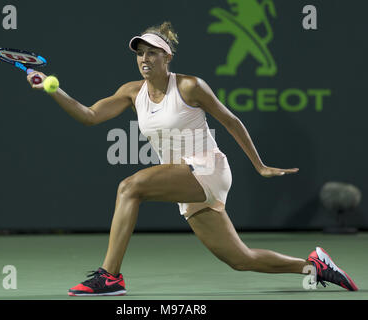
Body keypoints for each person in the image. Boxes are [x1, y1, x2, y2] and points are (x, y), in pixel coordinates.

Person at [27, 22, 358, 296]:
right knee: (240, 258)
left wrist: (259, 165)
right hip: (187, 180)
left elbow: (231, 121)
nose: (144, 59)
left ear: (167, 56)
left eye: (152, 53)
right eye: (140, 54)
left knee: (130, 187)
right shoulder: (131, 92)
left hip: (208, 167)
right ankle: (315, 265)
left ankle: (110, 277)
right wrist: (52, 89)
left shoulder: (190, 86)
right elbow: (89, 115)